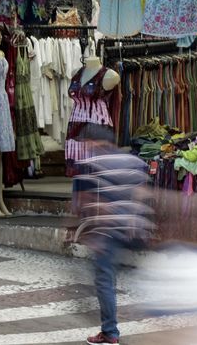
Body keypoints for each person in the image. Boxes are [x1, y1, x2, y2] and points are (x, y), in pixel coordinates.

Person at [72, 126, 154, 345]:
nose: (86, 147)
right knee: (125, 275)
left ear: (95, 142)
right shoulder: (135, 162)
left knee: (105, 280)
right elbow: (143, 192)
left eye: (87, 142)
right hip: (132, 228)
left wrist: (86, 231)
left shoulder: (91, 166)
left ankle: (110, 332)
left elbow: (88, 202)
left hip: (106, 231)